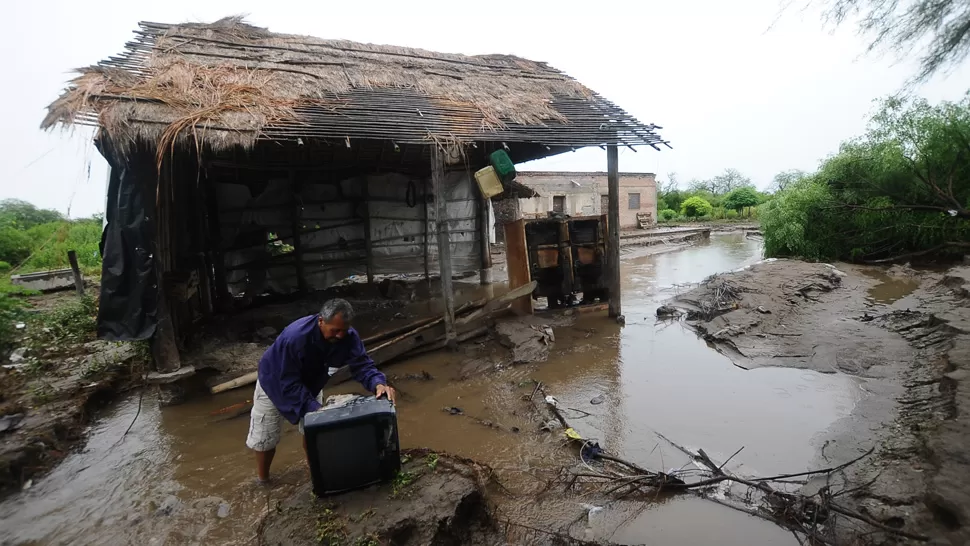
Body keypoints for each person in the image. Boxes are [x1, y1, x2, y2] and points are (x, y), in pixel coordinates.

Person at [246, 298, 396, 482]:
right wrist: (315, 408)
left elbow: (362, 365)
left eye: (344, 330)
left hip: (312, 381)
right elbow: (288, 382)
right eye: (335, 331)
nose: (340, 336)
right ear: (321, 321)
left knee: (314, 430)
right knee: (265, 437)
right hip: (275, 380)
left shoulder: (349, 337)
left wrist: (377, 383)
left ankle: (316, 473)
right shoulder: (295, 338)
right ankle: (263, 479)